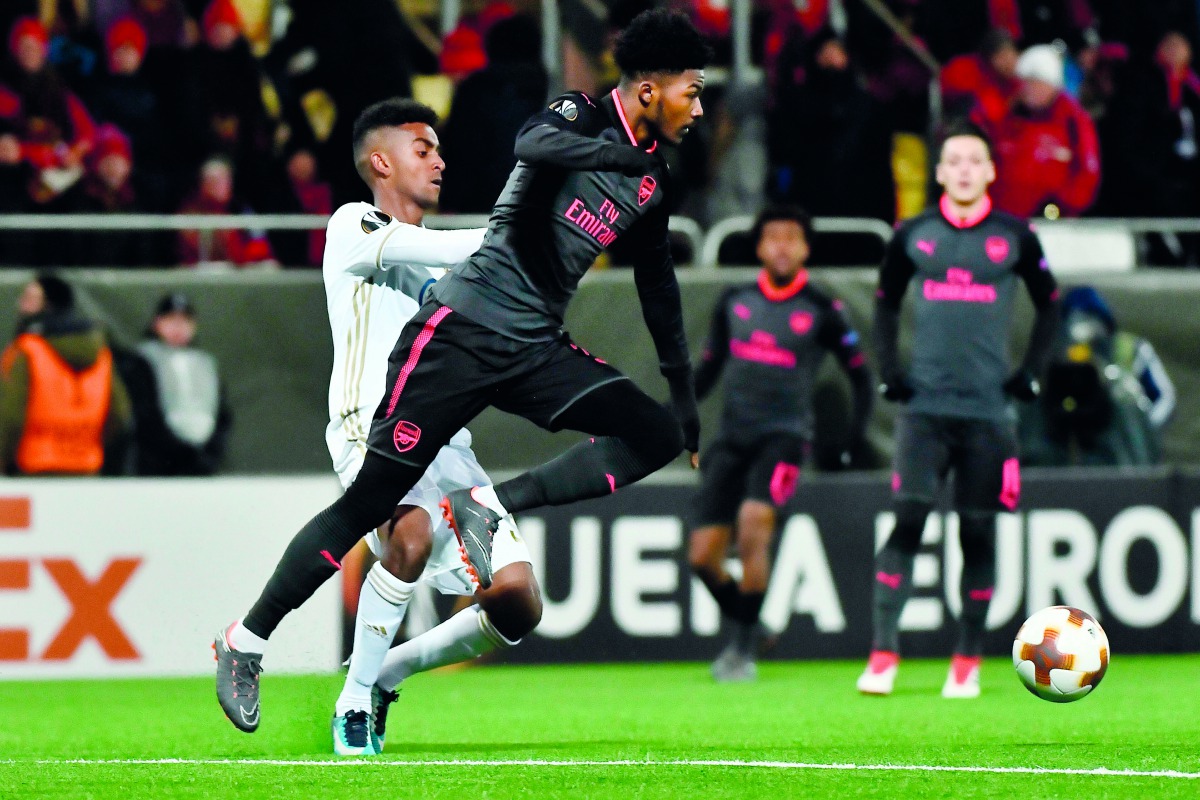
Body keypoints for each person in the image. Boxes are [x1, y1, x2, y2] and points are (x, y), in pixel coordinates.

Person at [215, 7, 708, 733]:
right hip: (442, 353)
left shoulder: (649, 179)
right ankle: (254, 645)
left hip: (529, 350)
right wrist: (604, 169)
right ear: (647, 91)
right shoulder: (569, 120)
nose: (699, 107)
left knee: (639, 453)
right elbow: (529, 143)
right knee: (391, 516)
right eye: (692, 91)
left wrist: (684, 392)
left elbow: (657, 281)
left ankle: (481, 519)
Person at [304, 97, 541, 756]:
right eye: (423, 149)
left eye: (438, 150)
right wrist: (526, 222)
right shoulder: (354, 224)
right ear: (381, 162)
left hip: (444, 444)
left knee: (518, 601)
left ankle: (386, 672)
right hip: (371, 425)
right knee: (408, 531)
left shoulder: (443, 267)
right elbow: (459, 245)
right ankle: (353, 702)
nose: (439, 161)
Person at [857, 122, 1059, 699]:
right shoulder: (913, 235)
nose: (965, 169)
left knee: (977, 531)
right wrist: (889, 369)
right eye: (955, 161)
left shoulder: (1015, 236)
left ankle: (967, 658)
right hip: (924, 411)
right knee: (908, 521)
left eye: (975, 160)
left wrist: (1030, 374)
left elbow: (1050, 306)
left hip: (989, 414)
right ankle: (883, 653)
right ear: (940, 173)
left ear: (990, 171)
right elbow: (884, 303)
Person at [688, 205, 873, 682]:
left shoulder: (822, 309)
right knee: (703, 557)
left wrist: (852, 440)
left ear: (806, 248)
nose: (783, 246)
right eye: (773, 237)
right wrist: (674, 416)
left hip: (785, 438)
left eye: (792, 237)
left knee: (754, 524)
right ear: (759, 247)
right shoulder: (735, 301)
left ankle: (740, 651)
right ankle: (755, 625)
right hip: (732, 438)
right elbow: (706, 370)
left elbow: (861, 377)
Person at [0, 274, 133, 476]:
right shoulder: (101, 353)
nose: (21, 305)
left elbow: (10, 415)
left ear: (49, 305)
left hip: (34, 469)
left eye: (30, 298)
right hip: (87, 467)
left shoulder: (27, 350)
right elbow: (120, 415)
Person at [976, 44, 1101, 218]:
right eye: (1026, 82)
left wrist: (1063, 205)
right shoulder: (1007, 118)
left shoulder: (1072, 120)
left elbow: (1088, 171)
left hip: (1053, 220)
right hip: (1004, 216)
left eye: (1038, 83)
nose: (1030, 89)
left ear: (1053, 85)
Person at [136, 293, 232, 475]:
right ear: (157, 323)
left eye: (185, 321)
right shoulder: (143, 360)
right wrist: (178, 451)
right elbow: (144, 414)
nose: (178, 327)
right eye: (171, 319)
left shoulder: (205, 363)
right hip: (159, 463)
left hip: (202, 462)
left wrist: (210, 452)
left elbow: (223, 415)